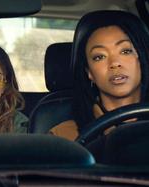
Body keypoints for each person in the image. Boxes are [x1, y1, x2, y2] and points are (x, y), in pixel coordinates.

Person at [50, 10, 149, 141]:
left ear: (142, 59)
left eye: (125, 51)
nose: (114, 63)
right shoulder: (64, 137)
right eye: (99, 57)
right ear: (89, 72)